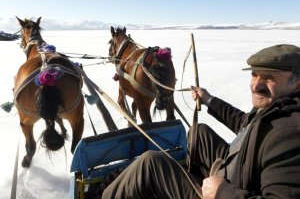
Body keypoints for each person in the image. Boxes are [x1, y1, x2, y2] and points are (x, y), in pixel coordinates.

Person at [102, 44, 300, 199]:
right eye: (254, 75)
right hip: (239, 166)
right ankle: (190, 176)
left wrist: (222, 192)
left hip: (231, 188)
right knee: (200, 131)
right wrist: (208, 100)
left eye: (269, 78)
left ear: (297, 82)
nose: (256, 85)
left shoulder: (289, 133)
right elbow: (245, 124)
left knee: (150, 163)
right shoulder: (277, 106)